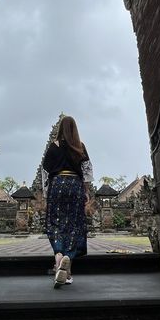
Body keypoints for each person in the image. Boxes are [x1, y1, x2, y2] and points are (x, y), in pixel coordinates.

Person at [42, 115, 92, 288]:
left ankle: (58, 256)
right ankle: (67, 265)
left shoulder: (54, 146)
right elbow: (87, 171)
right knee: (73, 225)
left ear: (60, 129)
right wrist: (86, 192)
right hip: (75, 186)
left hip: (57, 185)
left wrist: (47, 194)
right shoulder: (80, 146)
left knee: (55, 223)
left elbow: (45, 171)